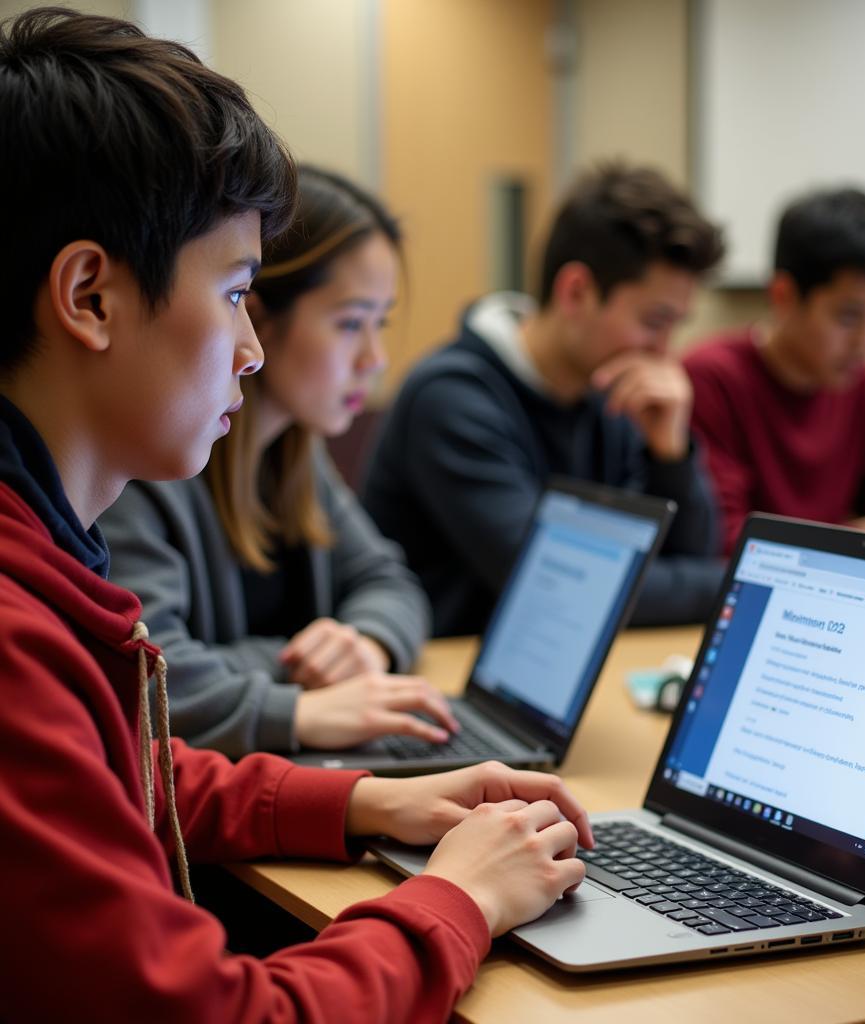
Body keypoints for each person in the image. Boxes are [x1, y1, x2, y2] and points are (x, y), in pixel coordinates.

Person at [0, 10, 591, 1021]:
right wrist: (457, 898)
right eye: (234, 292)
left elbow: (120, 777)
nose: (251, 347)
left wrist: (367, 800)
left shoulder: (44, 544)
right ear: (89, 295)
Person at [101, 166, 456, 759]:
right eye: (350, 324)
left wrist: (364, 642)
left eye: (380, 324)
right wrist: (299, 689)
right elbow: (152, 678)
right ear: (258, 316)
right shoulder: (145, 465)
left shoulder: (295, 454)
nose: (374, 359)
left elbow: (388, 580)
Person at [363, 162, 727, 637]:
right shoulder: (452, 397)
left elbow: (687, 560)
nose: (666, 351)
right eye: (655, 322)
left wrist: (670, 452)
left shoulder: (609, 391)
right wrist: (726, 583)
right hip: (444, 679)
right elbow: (555, 586)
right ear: (576, 292)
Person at [683, 187, 865, 555]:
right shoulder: (710, 378)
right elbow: (723, 543)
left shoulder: (858, 381)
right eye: (848, 316)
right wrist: (859, 539)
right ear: (784, 296)